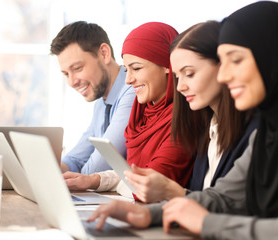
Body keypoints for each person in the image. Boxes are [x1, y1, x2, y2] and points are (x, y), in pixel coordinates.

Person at [87, 1, 278, 239]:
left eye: (236, 60)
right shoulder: (264, 133)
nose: (225, 74)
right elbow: (224, 198)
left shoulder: (251, 129)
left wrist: (205, 222)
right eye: (178, 76)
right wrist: (152, 215)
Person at [119, 20, 258, 203]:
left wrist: (172, 194)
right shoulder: (209, 128)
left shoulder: (253, 131)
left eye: (189, 74)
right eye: (178, 77)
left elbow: (226, 206)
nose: (180, 87)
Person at [63, 22, 194, 199]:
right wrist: (94, 180)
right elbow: (133, 175)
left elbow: (147, 187)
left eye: (137, 68)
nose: (128, 80)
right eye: (127, 70)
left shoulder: (184, 118)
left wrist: (106, 180)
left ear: (167, 65)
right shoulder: (142, 113)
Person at [50, 21, 135, 174]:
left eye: (77, 68)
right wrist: (51, 171)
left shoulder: (132, 91)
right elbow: (77, 158)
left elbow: (99, 166)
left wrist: (66, 179)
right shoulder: (102, 100)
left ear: (104, 53)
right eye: (66, 74)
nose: (71, 82)